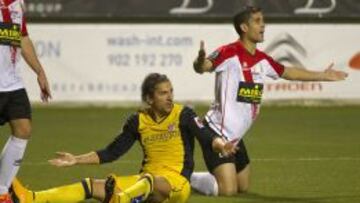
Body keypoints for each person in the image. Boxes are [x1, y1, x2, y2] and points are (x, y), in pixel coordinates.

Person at [190, 6, 348, 196]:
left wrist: (323, 75)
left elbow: (289, 72)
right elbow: (204, 66)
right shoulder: (228, 52)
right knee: (228, 190)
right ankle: (189, 177)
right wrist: (199, 61)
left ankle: (213, 175)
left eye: (263, 21)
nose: (263, 25)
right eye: (257, 21)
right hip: (216, 131)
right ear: (244, 27)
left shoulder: (263, 59)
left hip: (236, 135)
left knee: (243, 187)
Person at [11, 73, 236, 203]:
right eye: (163, 93)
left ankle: (121, 200)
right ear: (149, 98)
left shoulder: (183, 114)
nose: (170, 97)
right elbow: (112, 152)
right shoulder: (137, 121)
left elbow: (205, 134)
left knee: (146, 182)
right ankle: (30, 198)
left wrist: (220, 144)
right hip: (143, 185)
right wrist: (76, 160)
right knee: (91, 186)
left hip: (175, 184)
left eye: (171, 92)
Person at [0, 0, 51, 202]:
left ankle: (2, 191)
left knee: (23, 129)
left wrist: (40, 72)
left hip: (12, 82)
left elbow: (22, 38)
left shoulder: (17, 3)